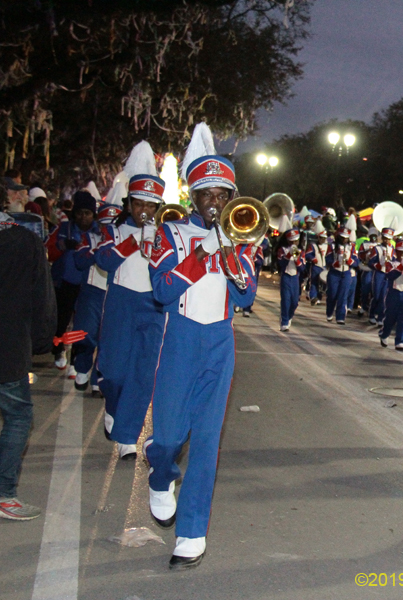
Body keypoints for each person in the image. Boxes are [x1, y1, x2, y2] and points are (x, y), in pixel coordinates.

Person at [145, 123, 257, 568]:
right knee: (170, 434)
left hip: (220, 342)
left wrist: (233, 262)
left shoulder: (241, 235)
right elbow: (161, 290)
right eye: (207, 194)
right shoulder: (170, 234)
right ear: (193, 196)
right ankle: (161, 473)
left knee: (208, 441)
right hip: (181, 339)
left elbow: (246, 298)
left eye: (222, 194)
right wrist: (202, 257)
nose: (215, 202)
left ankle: (192, 531)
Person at [93, 142, 166, 459]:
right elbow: (104, 262)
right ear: (130, 203)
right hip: (121, 305)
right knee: (114, 372)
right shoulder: (115, 230)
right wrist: (133, 243)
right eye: (138, 204)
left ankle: (127, 437)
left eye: (151, 206)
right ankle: (112, 404)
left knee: (143, 374)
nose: (144, 211)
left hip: (153, 307)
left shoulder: (166, 234)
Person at [0, 201, 56, 520]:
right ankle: (4, 494)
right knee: (19, 417)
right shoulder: (25, 240)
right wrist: (41, 341)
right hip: (8, 349)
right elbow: (42, 298)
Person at [71, 202, 122, 392]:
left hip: (113, 293)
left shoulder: (122, 240)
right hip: (92, 292)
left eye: (111, 225)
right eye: (104, 225)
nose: (106, 229)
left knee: (107, 338)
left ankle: (97, 379)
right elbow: (79, 261)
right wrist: (98, 250)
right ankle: (82, 368)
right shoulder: (88, 238)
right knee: (86, 334)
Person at [46, 191, 99, 371]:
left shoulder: (98, 231)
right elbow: (48, 251)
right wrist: (62, 246)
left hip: (87, 284)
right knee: (61, 320)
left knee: (82, 325)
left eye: (88, 213)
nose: (83, 217)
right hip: (65, 282)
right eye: (80, 213)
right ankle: (58, 349)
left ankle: (76, 360)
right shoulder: (64, 228)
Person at [380, 228, 403, 351]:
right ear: (397, 252)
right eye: (401, 252)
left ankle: (400, 341)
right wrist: (401, 266)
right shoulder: (391, 262)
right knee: (390, 316)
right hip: (393, 293)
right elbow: (390, 275)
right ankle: (385, 334)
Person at [325, 223, 358, 324]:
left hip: (346, 273)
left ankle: (340, 317)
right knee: (332, 295)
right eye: (342, 238)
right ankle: (329, 312)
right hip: (334, 273)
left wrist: (349, 261)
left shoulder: (351, 247)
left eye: (346, 238)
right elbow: (327, 259)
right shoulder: (332, 246)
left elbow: (357, 261)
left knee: (343, 295)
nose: (344, 240)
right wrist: (335, 263)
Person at [368, 218, 397, 325]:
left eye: (388, 239)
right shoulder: (377, 248)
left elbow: (395, 261)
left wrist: (391, 261)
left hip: (387, 274)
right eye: (385, 238)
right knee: (376, 295)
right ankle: (371, 314)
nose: (386, 241)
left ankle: (381, 317)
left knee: (384, 297)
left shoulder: (392, 249)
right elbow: (370, 263)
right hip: (379, 273)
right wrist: (378, 265)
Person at [277, 229, 304, 331]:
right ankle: (284, 321)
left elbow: (302, 268)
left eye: (295, 241)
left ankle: (289, 316)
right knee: (286, 300)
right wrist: (288, 256)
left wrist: (297, 260)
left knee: (294, 302)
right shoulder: (282, 250)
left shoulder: (301, 251)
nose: (293, 243)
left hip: (295, 278)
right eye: (291, 241)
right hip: (286, 277)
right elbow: (281, 264)